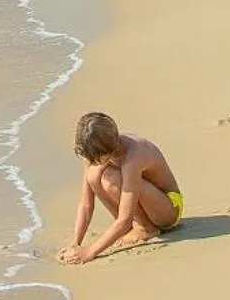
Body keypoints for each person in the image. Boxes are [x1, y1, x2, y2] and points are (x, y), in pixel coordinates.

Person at [59, 111, 184, 264]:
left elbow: (125, 219)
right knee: (94, 175)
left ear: (110, 150)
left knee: (112, 179)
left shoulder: (133, 156)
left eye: (96, 158)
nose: (91, 161)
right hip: (137, 207)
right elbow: (86, 204)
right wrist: (76, 243)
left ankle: (145, 228)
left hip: (169, 207)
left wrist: (89, 252)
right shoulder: (94, 148)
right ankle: (137, 226)